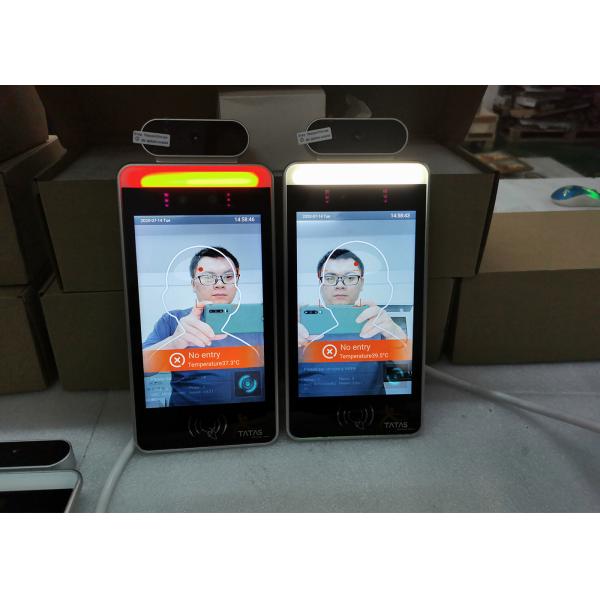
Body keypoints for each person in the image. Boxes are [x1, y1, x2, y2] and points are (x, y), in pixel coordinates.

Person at [143, 247, 263, 406]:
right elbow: (142, 367)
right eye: (208, 277)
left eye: (228, 276)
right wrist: (175, 342)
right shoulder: (173, 320)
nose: (219, 284)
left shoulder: (257, 319)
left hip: (249, 416)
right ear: (194, 284)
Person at [298, 248, 406, 397]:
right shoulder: (302, 324)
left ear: (361, 283)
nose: (340, 285)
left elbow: (408, 367)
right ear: (320, 283)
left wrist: (395, 334)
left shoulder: (378, 323)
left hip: (370, 409)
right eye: (330, 278)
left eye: (350, 278)